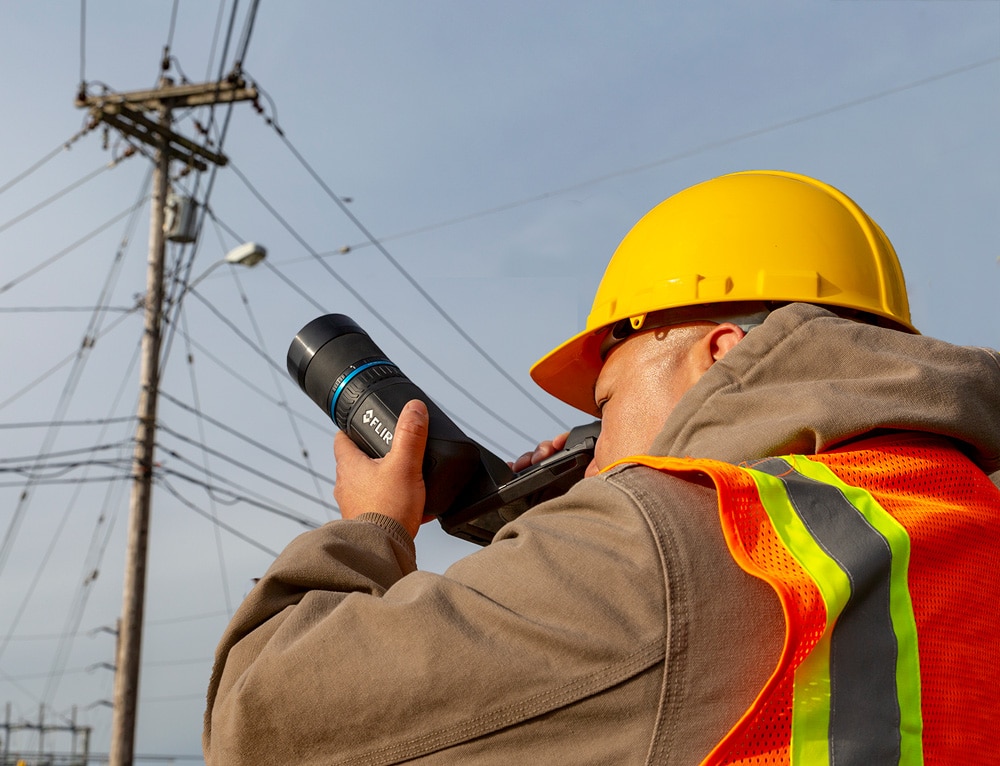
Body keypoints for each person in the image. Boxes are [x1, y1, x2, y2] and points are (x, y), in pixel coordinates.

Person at [203, 170, 1000, 764]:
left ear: (722, 354)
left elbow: (261, 721)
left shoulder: (667, 542)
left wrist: (370, 527)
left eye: (607, 405)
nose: (592, 448)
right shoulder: (964, 520)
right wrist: (559, 523)